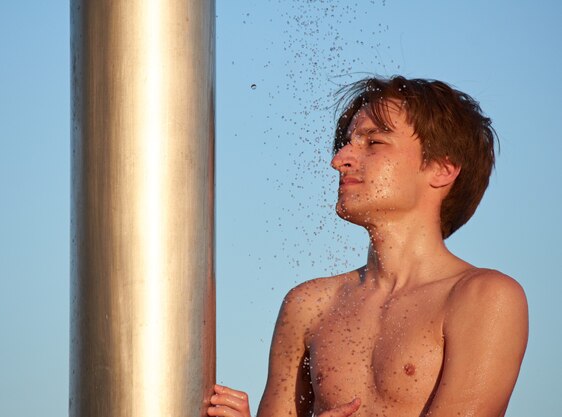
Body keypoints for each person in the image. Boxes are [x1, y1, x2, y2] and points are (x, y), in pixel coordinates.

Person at [208, 76, 528, 417]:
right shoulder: (307, 305)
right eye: (346, 143)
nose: (340, 160)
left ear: (441, 168)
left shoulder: (483, 298)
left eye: (373, 142)